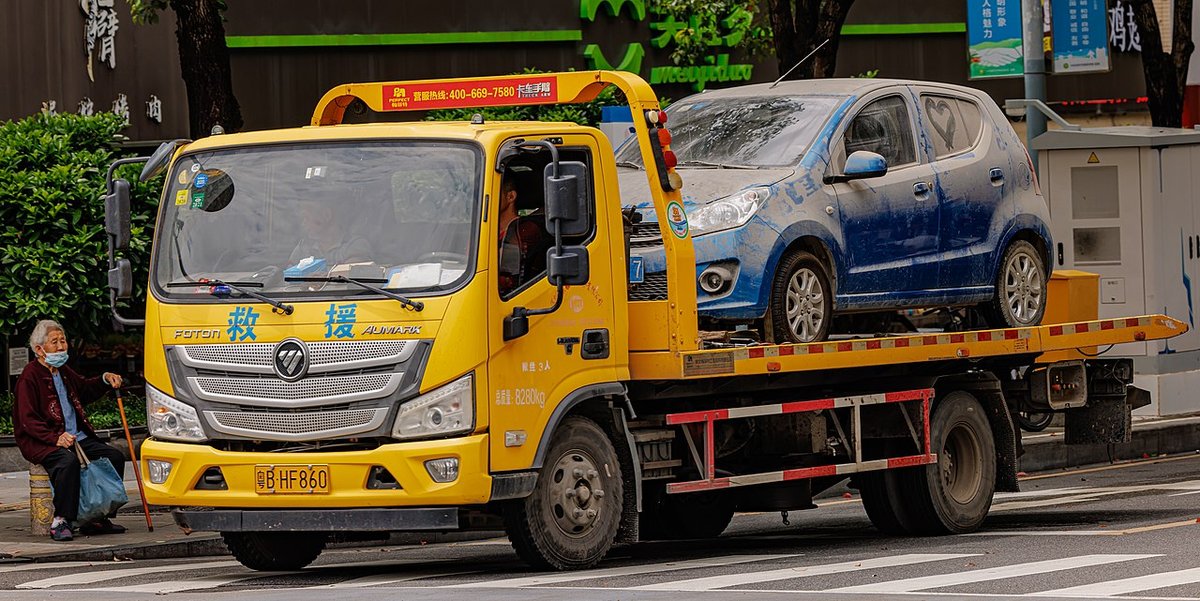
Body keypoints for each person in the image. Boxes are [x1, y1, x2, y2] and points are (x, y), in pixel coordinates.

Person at [14, 320, 128, 541]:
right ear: (39, 349)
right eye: (54, 342)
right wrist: (54, 438)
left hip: (76, 437)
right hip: (42, 441)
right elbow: (26, 419)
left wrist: (105, 379)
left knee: (113, 456)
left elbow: (84, 390)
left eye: (63, 340)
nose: (61, 346)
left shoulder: (62, 371)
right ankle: (62, 519)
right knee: (68, 463)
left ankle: (98, 516)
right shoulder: (30, 376)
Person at [497, 177, 551, 296]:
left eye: (494, 192)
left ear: (511, 196)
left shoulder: (525, 230)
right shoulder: (483, 233)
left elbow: (513, 276)